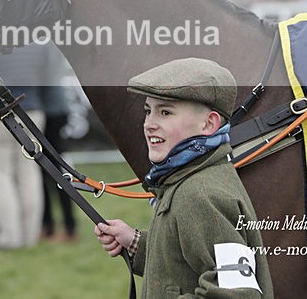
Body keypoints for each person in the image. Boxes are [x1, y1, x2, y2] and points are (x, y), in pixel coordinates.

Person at [94, 58, 274, 298]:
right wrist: (135, 242)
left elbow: (235, 293)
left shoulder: (201, 195)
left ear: (209, 123)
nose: (149, 124)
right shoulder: (190, 177)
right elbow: (183, 264)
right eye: (148, 111)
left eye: (165, 112)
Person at [0, 42, 52, 250]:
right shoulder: (38, 43)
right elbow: (47, 79)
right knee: (29, 175)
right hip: (32, 111)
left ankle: (9, 237)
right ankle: (29, 236)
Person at [40, 84, 78, 243]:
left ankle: (66, 228)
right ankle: (52, 226)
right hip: (52, 109)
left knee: (54, 172)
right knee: (48, 172)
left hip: (51, 112)